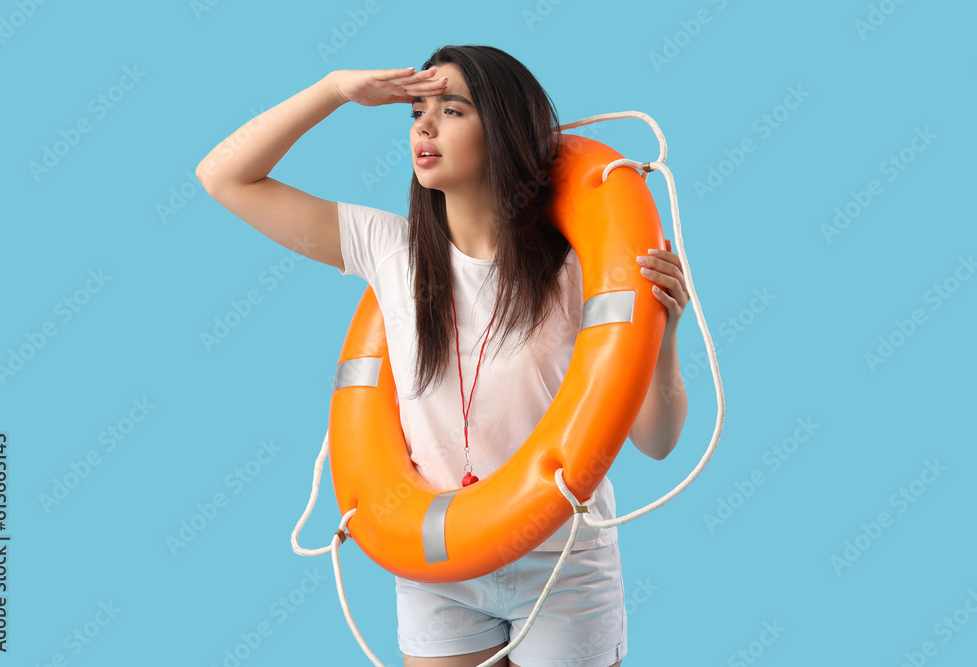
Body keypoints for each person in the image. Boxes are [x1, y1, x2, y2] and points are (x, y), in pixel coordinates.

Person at [197, 43, 689, 667]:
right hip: (438, 562)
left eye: (452, 109)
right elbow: (223, 176)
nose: (424, 126)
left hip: (560, 559)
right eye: (417, 111)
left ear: (505, 131)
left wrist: (663, 334)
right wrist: (334, 89)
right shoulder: (389, 251)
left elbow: (658, 441)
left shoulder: (579, 272)